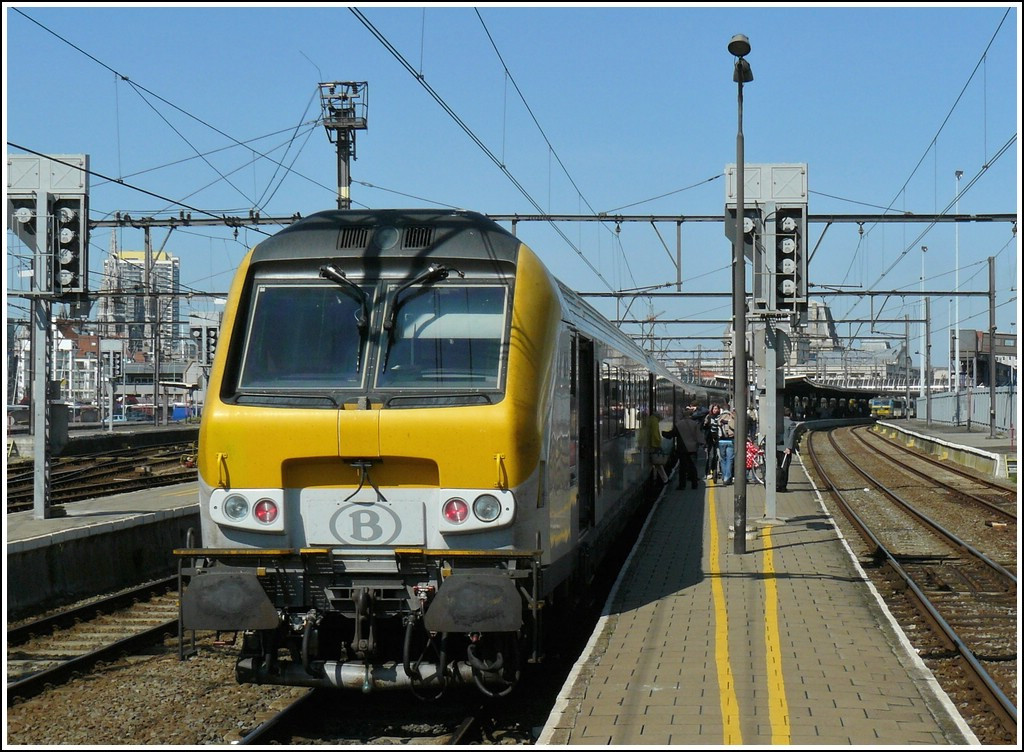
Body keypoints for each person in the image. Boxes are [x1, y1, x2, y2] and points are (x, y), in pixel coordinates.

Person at [663, 403, 704, 490]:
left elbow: (671, 435)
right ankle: (694, 484)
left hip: (682, 449)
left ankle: (682, 485)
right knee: (692, 466)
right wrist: (703, 444)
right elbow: (699, 436)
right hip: (693, 449)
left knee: (683, 467)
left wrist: (663, 433)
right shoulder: (695, 424)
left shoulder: (679, 424)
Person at [643, 411, 669, 484]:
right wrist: (657, 444)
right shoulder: (654, 421)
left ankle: (663, 478)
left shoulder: (651, 419)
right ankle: (662, 479)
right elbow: (655, 434)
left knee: (656, 463)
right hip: (652, 445)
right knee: (656, 462)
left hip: (648, 444)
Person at [776, 406, 797, 492]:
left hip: (778, 447)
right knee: (785, 468)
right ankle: (782, 486)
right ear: (790, 414)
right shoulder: (791, 424)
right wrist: (789, 447)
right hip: (786, 449)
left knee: (779, 465)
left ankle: (777, 483)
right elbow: (791, 436)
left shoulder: (778, 422)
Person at [702, 403, 723, 479]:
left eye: (716, 409)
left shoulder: (720, 417)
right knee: (710, 456)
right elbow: (704, 427)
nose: (715, 410)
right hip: (709, 439)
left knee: (717, 456)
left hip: (718, 438)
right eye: (714, 409)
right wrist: (706, 424)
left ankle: (716, 471)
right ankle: (708, 472)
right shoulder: (708, 417)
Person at [718, 406, 736, 484]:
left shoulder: (720, 417)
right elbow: (735, 426)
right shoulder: (732, 416)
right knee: (730, 459)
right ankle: (727, 477)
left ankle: (724, 475)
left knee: (722, 459)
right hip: (730, 440)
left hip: (721, 440)